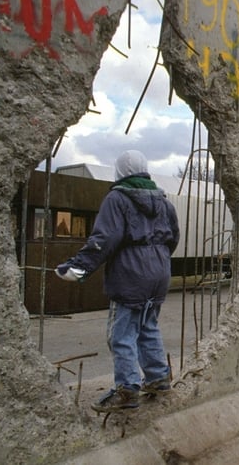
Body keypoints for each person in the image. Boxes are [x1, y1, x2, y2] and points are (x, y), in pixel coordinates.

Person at [55, 150, 179, 412]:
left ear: (120, 171)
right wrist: (155, 259)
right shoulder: (164, 202)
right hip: (159, 272)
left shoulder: (118, 198)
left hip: (131, 274)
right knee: (148, 327)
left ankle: (126, 390)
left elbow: (104, 240)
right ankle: (158, 379)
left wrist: (77, 268)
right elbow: (173, 238)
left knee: (121, 335)